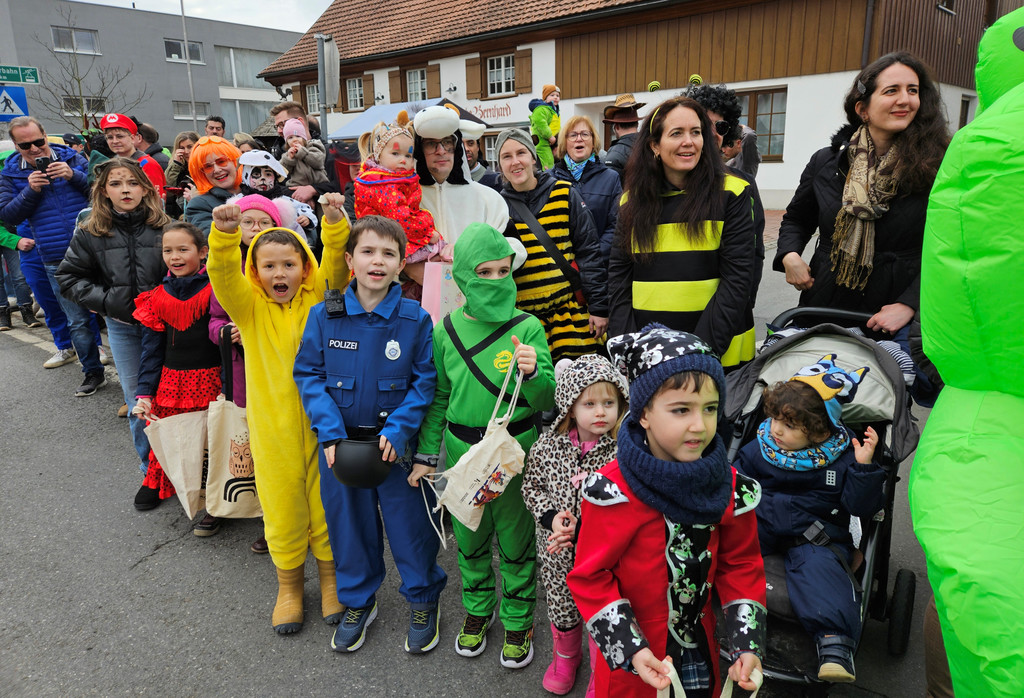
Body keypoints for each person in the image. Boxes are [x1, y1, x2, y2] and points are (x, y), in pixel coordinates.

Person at [911, 10, 1024, 695]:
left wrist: (903, 304)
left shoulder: (952, 154)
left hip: (901, 311)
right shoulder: (831, 158)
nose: (896, 100)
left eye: (907, 89)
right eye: (880, 90)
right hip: (839, 301)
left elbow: (937, 252)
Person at [568, 325, 766, 697]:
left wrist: (746, 643)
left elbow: (741, 564)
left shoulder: (727, 486)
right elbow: (590, 577)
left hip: (700, 651)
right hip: (637, 661)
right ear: (643, 414)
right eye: (680, 410)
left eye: (710, 409)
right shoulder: (613, 492)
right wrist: (630, 648)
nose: (700, 425)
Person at [293, 215, 446, 654]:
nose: (377, 261)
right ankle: (359, 600)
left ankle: (422, 599)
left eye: (388, 254)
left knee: (410, 527)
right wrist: (329, 433)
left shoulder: (415, 320)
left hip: (394, 451)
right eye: (368, 251)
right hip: (340, 450)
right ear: (349, 259)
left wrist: (399, 430)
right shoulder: (325, 316)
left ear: (401, 265)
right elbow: (308, 374)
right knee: (349, 529)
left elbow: (424, 382)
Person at [206, 194, 350, 635]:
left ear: (304, 266)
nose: (278, 273)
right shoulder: (247, 309)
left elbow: (338, 268)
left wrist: (333, 224)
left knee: (325, 507)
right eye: (268, 266)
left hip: (323, 424)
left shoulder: (319, 300)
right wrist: (225, 238)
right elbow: (224, 275)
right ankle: (289, 587)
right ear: (256, 272)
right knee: (283, 509)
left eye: (288, 263)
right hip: (272, 433)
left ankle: (330, 582)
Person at [418, 222, 555, 668]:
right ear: (460, 277)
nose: (496, 280)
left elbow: (550, 399)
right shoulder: (446, 331)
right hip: (463, 454)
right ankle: (478, 612)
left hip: (515, 452)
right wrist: (426, 454)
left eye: (503, 271)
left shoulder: (529, 326)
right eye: (485, 272)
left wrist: (534, 373)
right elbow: (440, 397)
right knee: (470, 539)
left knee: (516, 542)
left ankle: (518, 619)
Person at [775, 52, 949, 346]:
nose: (905, 100)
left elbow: (949, 246)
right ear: (863, 109)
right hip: (825, 304)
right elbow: (797, 219)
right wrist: (789, 255)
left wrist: (909, 305)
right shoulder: (827, 162)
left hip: (893, 316)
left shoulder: (939, 166)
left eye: (913, 90)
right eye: (891, 90)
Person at [733, 357, 884, 683]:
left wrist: (863, 469)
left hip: (814, 534)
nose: (776, 429)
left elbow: (861, 507)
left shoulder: (842, 457)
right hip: (763, 522)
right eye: (774, 419)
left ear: (818, 431)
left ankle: (834, 645)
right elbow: (738, 482)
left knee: (820, 570)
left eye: (788, 426)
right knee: (729, 548)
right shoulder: (762, 447)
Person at [607, 96, 757, 370]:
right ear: (654, 145)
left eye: (696, 132)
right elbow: (619, 279)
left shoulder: (732, 192)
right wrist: (627, 345)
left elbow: (737, 281)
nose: (689, 142)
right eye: (676, 133)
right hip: (648, 353)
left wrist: (697, 353)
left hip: (718, 354)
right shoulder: (630, 202)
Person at [57, 157, 172, 505]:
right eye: (117, 184)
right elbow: (68, 277)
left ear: (145, 188)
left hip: (169, 328)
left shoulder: (166, 226)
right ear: (104, 191)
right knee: (139, 401)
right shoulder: (91, 232)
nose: (125, 190)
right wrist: (110, 301)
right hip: (124, 329)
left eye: (133, 183)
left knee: (177, 401)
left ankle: (182, 469)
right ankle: (149, 475)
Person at [521, 354, 629, 695]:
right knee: (561, 605)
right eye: (590, 403)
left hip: (603, 555)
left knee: (603, 608)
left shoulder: (622, 453)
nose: (601, 412)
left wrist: (583, 529)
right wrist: (552, 518)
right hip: (555, 552)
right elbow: (531, 486)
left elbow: (629, 505)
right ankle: (566, 655)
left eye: (609, 403)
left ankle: (603, 666)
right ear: (569, 406)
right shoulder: (546, 446)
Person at [0, 116, 106, 388]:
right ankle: (92, 371)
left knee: (117, 316)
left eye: (39, 141)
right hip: (54, 256)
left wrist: (74, 176)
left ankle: (134, 381)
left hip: (95, 248)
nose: (34, 149)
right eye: (26, 145)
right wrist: (31, 190)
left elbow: (102, 193)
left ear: (46, 135)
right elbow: (8, 215)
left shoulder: (73, 159)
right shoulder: (10, 173)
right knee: (77, 320)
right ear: (15, 145)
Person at [131, 222, 222, 521]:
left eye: (183, 249)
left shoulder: (217, 289)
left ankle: (214, 491)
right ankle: (157, 482)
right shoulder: (156, 296)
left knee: (212, 437)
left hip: (212, 378)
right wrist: (145, 391)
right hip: (171, 381)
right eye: (168, 250)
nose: (175, 256)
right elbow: (151, 350)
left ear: (203, 252)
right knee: (170, 435)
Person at [497, 128, 607, 363]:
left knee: (579, 393)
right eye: (506, 156)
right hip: (524, 324)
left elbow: (589, 253)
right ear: (499, 164)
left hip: (570, 317)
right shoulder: (497, 207)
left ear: (533, 157)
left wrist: (599, 308)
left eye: (521, 153)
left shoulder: (564, 193)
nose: (515, 162)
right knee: (536, 391)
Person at [683, 82, 767, 307]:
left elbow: (753, 255)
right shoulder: (665, 183)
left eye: (720, 126)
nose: (712, 132)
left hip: (725, 311)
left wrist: (744, 304)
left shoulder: (743, 185)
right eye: (702, 124)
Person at [408, 105, 509, 282]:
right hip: (418, 303)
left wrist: (469, 250)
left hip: (476, 301)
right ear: (419, 150)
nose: (441, 151)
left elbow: (512, 248)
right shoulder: (406, 200)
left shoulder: (488, 198)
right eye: (431, 144)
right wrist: (407, 270)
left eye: (447, 142)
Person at [354, 120, 442, 280]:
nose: (403, 160)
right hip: (388, 241)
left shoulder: (391, 180)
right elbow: (401, 219)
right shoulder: (383, 184)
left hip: (388, 239)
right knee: (434, 273)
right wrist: (428, 233)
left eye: (408, 155)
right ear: (379, 155)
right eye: (395, 154)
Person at [551, 115, 622, 264]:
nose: (579, 139)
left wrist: (592, 258)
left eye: (585, 134)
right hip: (561, 268)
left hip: (598, 267)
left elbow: (615, 225)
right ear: (564, 142)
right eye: (573, 135)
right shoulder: (549, 179)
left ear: (593, 141)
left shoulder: (610, 178)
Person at [236, 149, 317, 244]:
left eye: (268, 174)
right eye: (256, 174)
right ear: (246, 177)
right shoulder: (240, 200)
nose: (263, 178)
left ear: (275, 178)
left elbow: (304, 208)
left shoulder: (284, 200)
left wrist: (307, 218)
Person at [269, 101, 339, 203]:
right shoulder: (280, 155)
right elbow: (274, 188)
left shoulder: (329, 151)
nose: (279, 131)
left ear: (300, 122)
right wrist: (298, 196)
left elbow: (341, 185)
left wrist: (314, 190)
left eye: (282, 124)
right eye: (277, 126)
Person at [184, 136, 243, 233]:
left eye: (221, 161)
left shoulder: (256, 190)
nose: (217, 170)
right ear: (202, 174)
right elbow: (207, 239)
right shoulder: (199, 205)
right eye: (208, 167)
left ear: (234, 161)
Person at [99, 113, 166, 195]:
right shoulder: (111, 164)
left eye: (120, 136)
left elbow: (156, 201)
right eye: (110, 137)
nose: (115, 141)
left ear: (133, 138)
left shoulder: (147, 164)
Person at [0, 219, 37, 330]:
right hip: (11, 236)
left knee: (19, 276)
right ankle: (3, 314)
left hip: (11, 232)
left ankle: (27, 312)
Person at [602, 94, 646, 182]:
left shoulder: (615, 155)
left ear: (616, 127)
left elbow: (610, 189)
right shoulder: (652, 145)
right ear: (637, 124)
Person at [280, 118, 329, 188]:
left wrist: (303, 152)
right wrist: (289, 159)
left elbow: (319, 162)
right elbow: (282, 173)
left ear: (304, 137)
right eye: (290, 138)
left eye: (298, 136)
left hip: (319, 185)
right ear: (287, 142)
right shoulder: (287, 155)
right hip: (296, 186)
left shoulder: (313, 146)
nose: (295, 140)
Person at [164, 131, 199, 219]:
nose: (186, 151)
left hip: (196, 210)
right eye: (182, 148)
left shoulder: (204, 165)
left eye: (189, 147)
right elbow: (167, 187)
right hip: (178, 213)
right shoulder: (176, 166)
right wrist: (176, 164)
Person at [529, 84, 560, 170]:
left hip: (552, 141)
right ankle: (547, 175)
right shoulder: (542, 109)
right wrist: (549, 136)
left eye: (557, 95)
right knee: (548, 160)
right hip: (543, 140)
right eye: (552, 95)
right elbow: (540, 123)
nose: (556, 97)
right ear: (545, 98)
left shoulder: (553, 110)